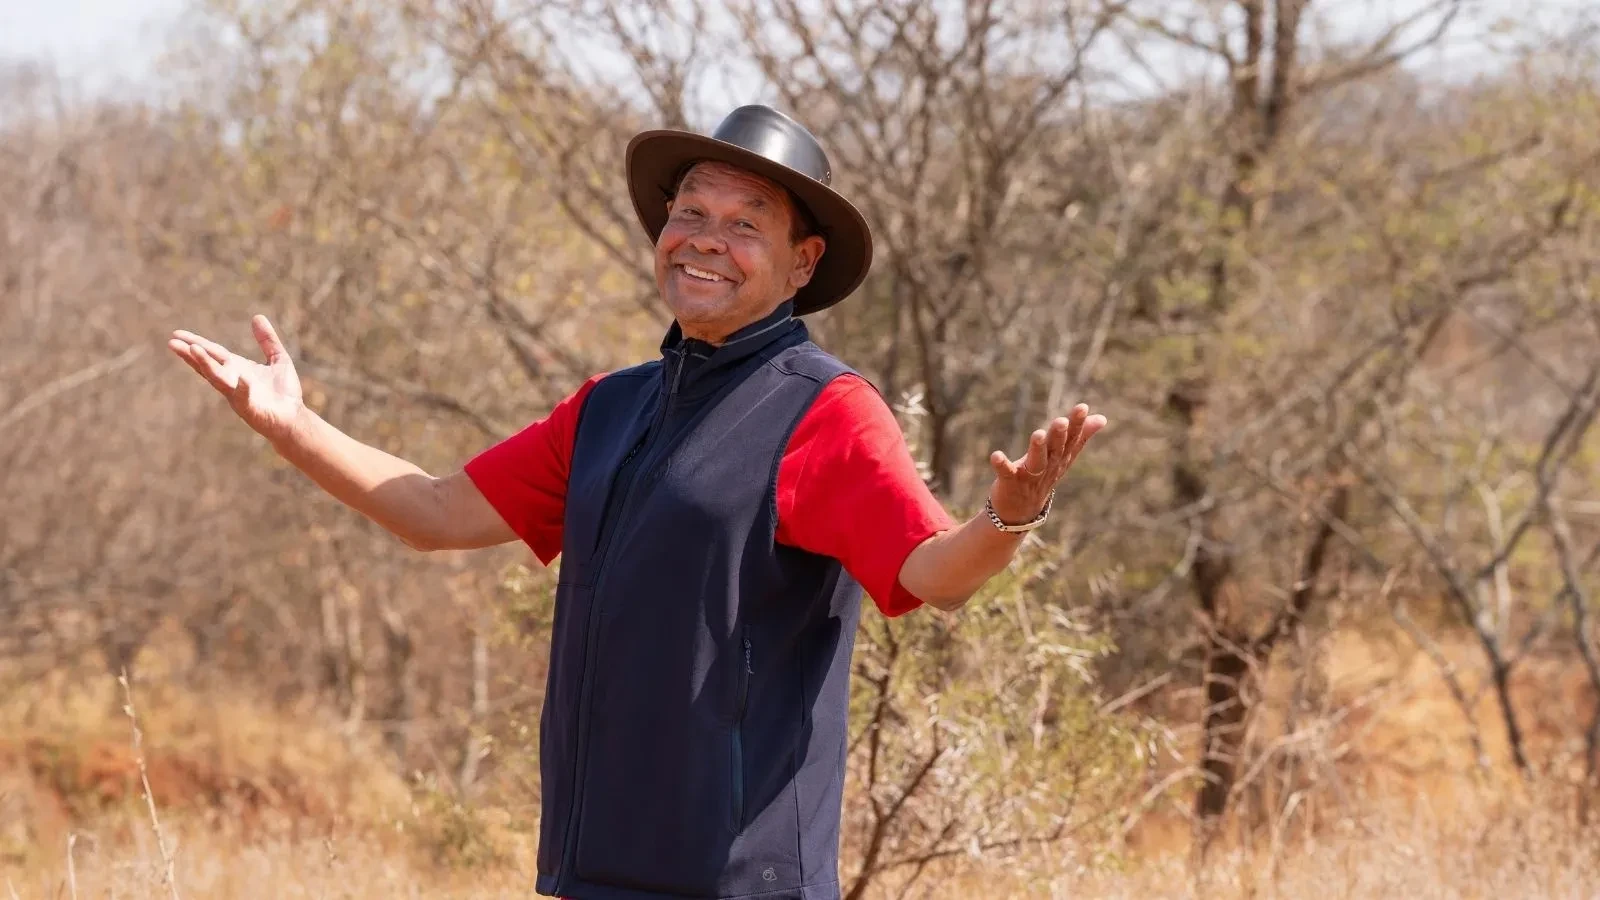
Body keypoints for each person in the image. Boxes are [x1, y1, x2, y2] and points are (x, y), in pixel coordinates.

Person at [169, 104, 1105, 900]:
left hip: (734, 878)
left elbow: (930, 572)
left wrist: (1008, 518)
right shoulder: (610, 407)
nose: (704, 236)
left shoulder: (824, 410)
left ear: (801, 262)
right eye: (689, 210)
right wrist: (290, 425)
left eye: (746, 223)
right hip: (595, 866)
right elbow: (434, 511)